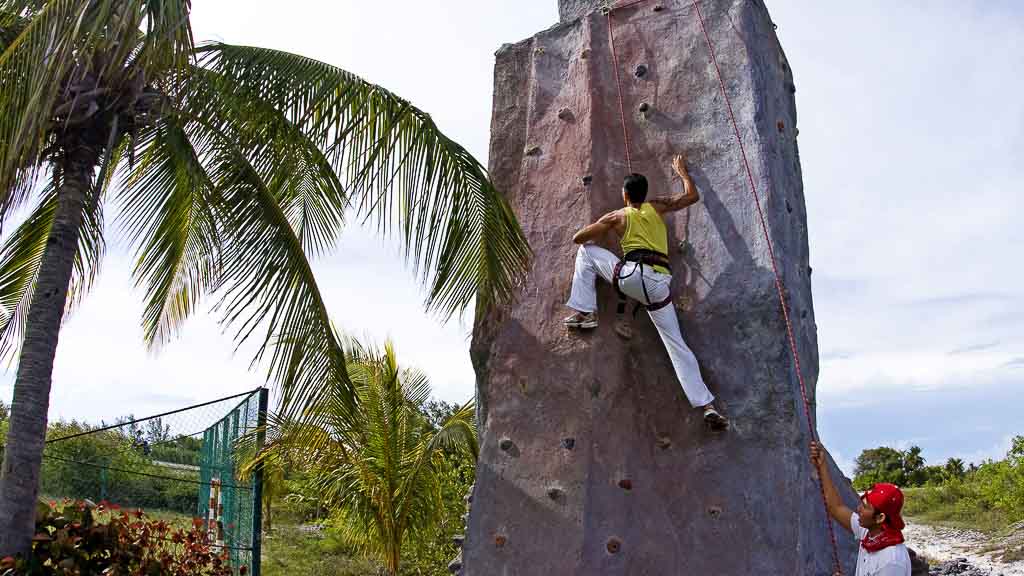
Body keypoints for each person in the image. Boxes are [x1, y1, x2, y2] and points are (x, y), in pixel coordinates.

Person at [563, 153, 728, 430]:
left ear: (625, 195)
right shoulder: (657, 206)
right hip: (660, 287)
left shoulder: (618, 216)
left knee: (586, 253)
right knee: (677, 346)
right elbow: (690, 197)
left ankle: (585, 313)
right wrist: (682, 172)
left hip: (633, 277)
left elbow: (578, 237)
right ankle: (707, 406)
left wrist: (607, 223)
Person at [810, 441, 912, 576]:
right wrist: (822, 465)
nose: (859, 509)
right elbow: (836, 508)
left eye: (865, 507)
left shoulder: (891, 562)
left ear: (880, 518)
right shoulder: (870, 533)